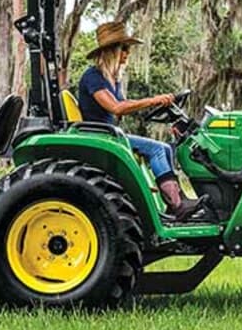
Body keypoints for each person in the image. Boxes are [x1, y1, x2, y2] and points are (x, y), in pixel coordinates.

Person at [78, 20, 200, 220]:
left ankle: (176, 203)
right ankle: (178, 205)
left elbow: (123, 104)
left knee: (167, 148)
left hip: (110, 134)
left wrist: (157, 103)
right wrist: (153, 100)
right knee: (157, 149)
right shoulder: (93, 77)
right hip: (102, 136)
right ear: (112, 51)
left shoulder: (112, 80)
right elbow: (116, 107)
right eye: (124, 48)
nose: (128, 53)